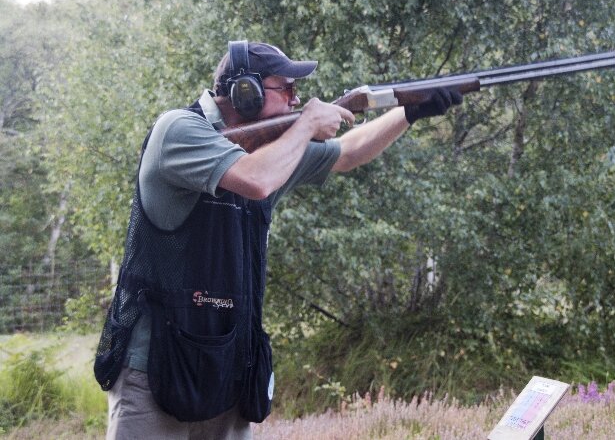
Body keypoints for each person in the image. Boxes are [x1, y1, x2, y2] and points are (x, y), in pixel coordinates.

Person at [94, 41, 461, 439]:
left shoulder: (271, 151)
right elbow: (256, 179)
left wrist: (408, 112)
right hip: (154, 367)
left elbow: (347, 152)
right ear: (245, 92)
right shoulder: (179, 130)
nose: (296, 99)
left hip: (227, 361)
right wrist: (306, 126)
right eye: (286, 88)